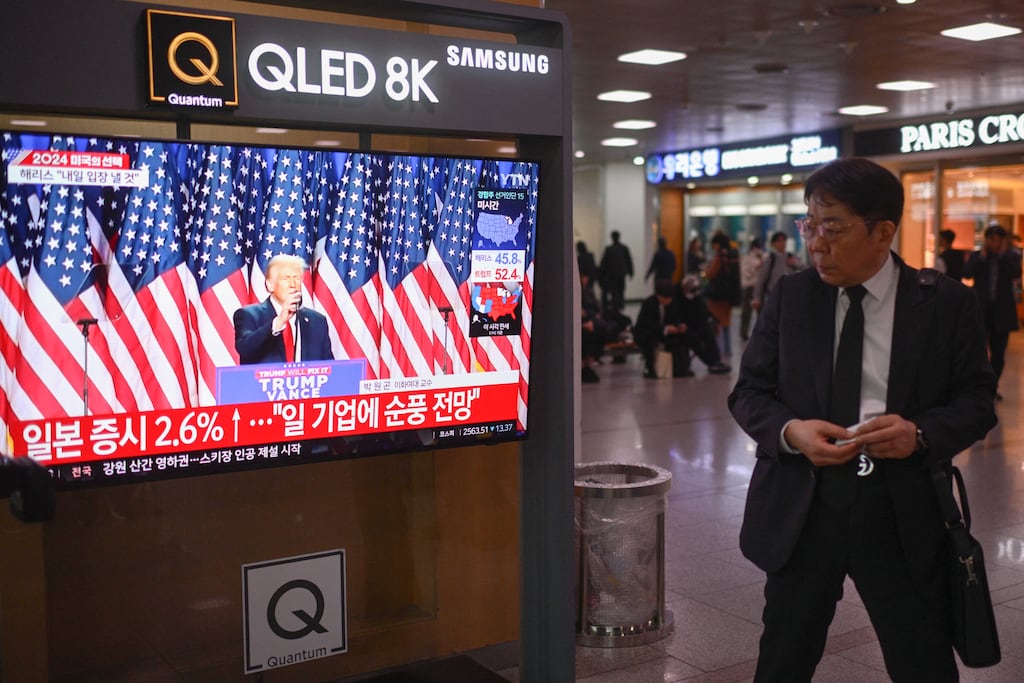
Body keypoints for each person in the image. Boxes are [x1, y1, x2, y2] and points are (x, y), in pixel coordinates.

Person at [728, 157, 997, 682]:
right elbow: (749, 391)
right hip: (806, 509)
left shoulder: (944, 304)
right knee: (783, 657)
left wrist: (920, 434)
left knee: (922, 660)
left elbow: (977, 401)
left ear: (883, 232)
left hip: (900, 510)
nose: (817, 244)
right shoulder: (792, 296)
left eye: (833, 227)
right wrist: (791, 432)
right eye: (809, 225)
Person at [234, 254, 334, 364]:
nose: (293, 284)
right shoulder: (249, 315)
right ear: (270, 285)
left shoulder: (317, 321)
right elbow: (245, 349)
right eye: (285, 278)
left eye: (296, 278)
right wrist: (279, 322)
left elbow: (330, 368)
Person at [963, 223, 1022, 400]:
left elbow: (1015, 273)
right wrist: (982, 257)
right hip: (980, 312)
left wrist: (1003, 254)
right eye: (992, 240)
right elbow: (967, 273)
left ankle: (991, 388)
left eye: (998, 240)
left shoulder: (1011, 256)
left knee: (998, 354)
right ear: (987, 240)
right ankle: (977, 388)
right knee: (976, 352)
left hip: (1002, 313)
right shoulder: (978, 256)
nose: (995, 243)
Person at [633, 279, 692, 378]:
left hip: (665, 332)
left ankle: (681, 368)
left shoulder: (672, 303)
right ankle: (651, 368)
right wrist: (666, 329)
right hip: (648, 332)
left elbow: (676, 317)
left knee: (684, 337)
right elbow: (647, 324)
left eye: (670, 298)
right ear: (658, 296)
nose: (668, 300)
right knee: (649, 339)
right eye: (665, 298)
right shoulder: (649, 303)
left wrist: (679, 325)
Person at [675, 275, 731, 374]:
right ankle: (711, 363)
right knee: (695, 340)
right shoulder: (676, 299)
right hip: (685, 327)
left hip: (698, 325)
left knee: (709, 334)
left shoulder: (697, 298)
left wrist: (714, 321)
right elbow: (675, 315)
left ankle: (716, 361)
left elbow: (705, 311)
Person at [703, 231, 740, 359]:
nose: (713, 247)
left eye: (714, 244)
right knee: (726, 323)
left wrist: (705, 271)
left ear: (718, 244)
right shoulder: (733, 254)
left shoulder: (719, 257)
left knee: (716, 323)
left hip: (717, 295)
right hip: (730, 295)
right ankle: (728, 349)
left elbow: (711, 274)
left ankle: (718, 350)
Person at [580, 270, 622, 383]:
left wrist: (591, 318)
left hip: (591, 323)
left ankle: (587, 366)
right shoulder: (581, 293)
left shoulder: (588, 292)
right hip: (584, 326)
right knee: (593, 335)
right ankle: (585, 366)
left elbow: (595, 310)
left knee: (597, 333)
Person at [752, 230, 801, 312]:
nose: (782, 243)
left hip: (790, 294)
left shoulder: (791, 257)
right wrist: (756, 297)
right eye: (779, 241)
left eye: (784, 240)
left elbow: (805, 269)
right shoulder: (770, 259)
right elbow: (761, 279)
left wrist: (796, 263)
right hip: (774, 294)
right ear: (773, 244)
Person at [598, 230, 634, 312]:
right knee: (620, 290)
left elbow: (604, 263)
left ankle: (617, 306)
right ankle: (620, 305)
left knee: (615, 291)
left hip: (613, 274)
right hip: (621, 274)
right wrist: (631, 272)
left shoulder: (609, 249)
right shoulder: (624, 248)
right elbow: (629, 261)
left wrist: (602, 274)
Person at [739, 237, 765, 340]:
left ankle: (761, 332)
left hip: (760, 287)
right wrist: (756, 269)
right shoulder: (747, 258)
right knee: (746, 311)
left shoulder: (764, 256)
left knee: (762, 312)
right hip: (750, 286)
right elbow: (745, 273)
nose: (757, 250)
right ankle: (744, 332)